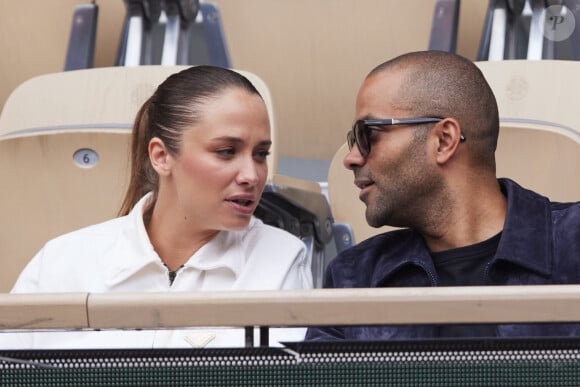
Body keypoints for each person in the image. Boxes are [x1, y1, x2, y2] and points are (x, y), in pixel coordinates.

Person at [4, 65, 312, 348]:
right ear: (161, 156)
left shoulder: (281, 260)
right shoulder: (61, 262)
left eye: (260, 154)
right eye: (227, 151)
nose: (252, 175)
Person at [306, 50, 580, 341]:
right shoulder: (353, 278)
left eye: (367, 134)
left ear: (444, 140)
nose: (351, 158)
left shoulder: (572, 242)